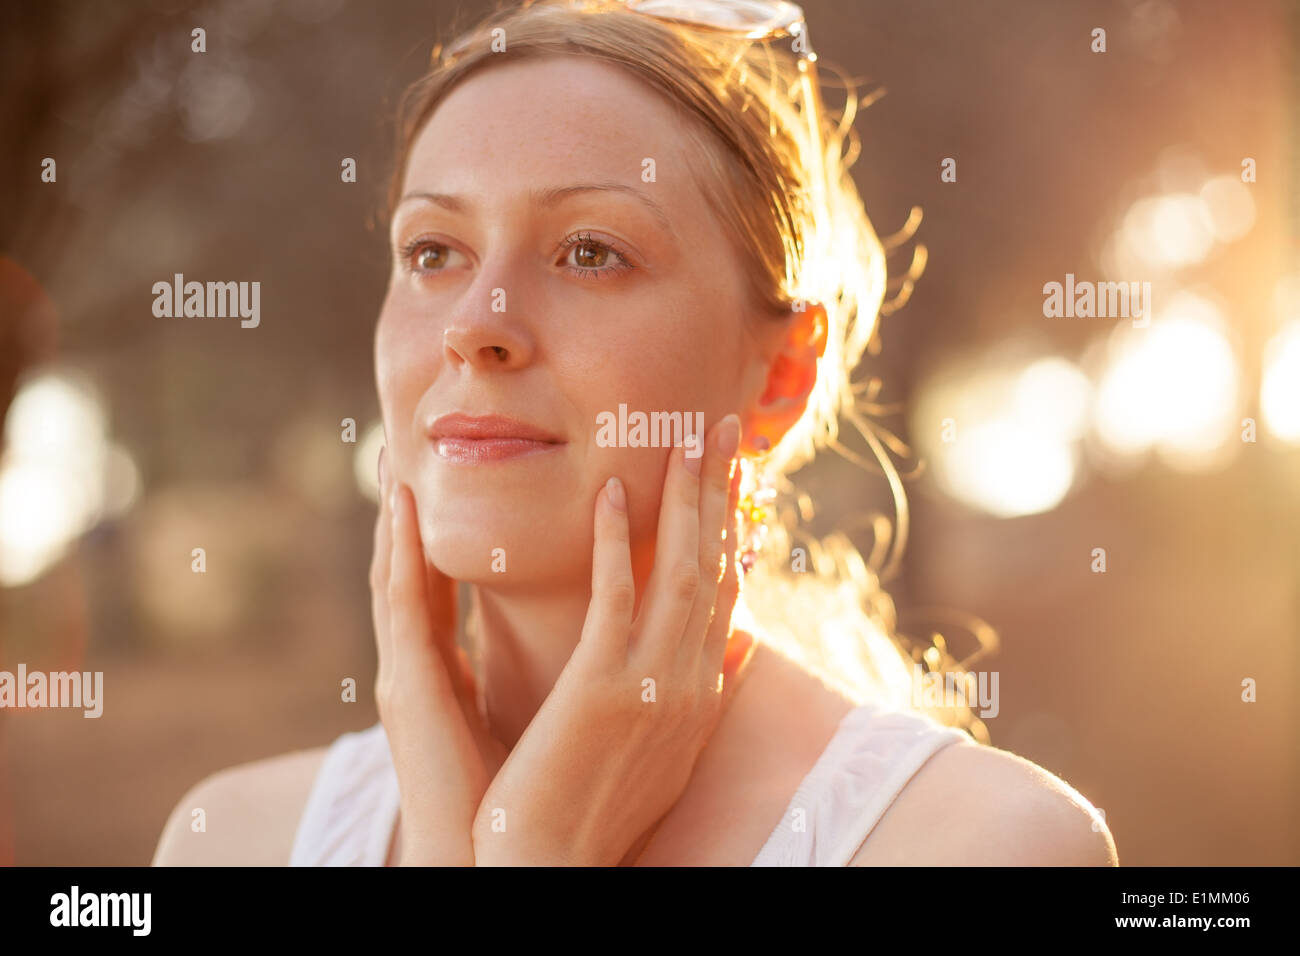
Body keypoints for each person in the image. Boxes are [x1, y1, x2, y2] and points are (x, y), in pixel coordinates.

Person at [153, 0, 1118, 866]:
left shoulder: (982, 847)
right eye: (433, 251)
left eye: (590, 252)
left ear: (780, 374)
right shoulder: (233, 840)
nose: (473, 324)